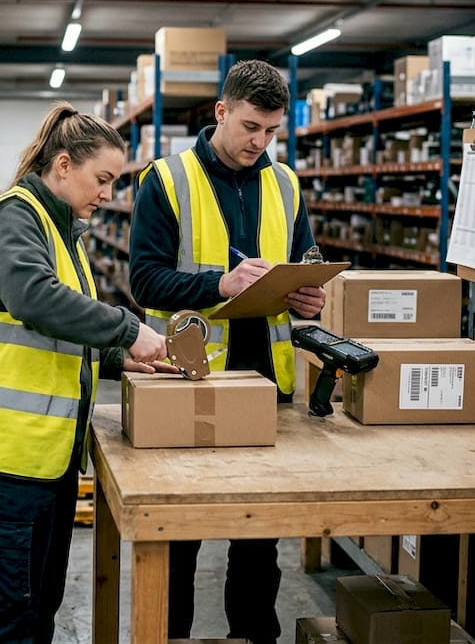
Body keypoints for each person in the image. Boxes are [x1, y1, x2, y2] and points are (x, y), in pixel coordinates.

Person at [0, 101, 176, 644]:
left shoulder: (61, 229)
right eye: (102, 179)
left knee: (36, 611)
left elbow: (56, 340)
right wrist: (128, 329)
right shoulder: (14, 216)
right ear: (64, 165)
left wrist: (125, 358)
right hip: (1, 465)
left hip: (43, 461)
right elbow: (34, 300)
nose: (107, 195)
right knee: (4, 624)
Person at [128, 59, 326, 644]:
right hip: (187, 385)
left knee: (259, 548)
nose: (259, 143)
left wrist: (306, 295)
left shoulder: (285, 183)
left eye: (270, 131)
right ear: (221, 112)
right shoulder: (165, 179)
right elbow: (145, 281)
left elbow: (303, 262)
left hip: (265, 392)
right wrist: (220, 283)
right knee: (179, 543)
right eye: (248, 127)